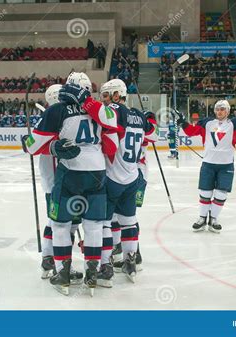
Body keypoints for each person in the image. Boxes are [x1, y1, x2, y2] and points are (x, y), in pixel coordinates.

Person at [22, 72, 118, 296]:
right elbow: (111, 124)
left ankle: (62, 273)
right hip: (97, 172)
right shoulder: (100, 110)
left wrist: (28, 142)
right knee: (94, 225)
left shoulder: (58, 110)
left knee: (61, 225)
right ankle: (92, 274)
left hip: (71, 173)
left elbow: (33, 146)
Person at [175, 100, 236, 233]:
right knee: (205, 193)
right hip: (208, 165)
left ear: (228, 111)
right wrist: (182, 122)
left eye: (223, 109)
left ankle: (213, 219)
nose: (220, 111)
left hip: (226, 166)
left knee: (221, 194)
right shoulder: (207, 123)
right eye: (217, 109)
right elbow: (191, 131)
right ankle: (202, 218)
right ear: (214, 111)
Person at [97, 79, 157, 285]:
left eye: (106, 96)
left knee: (104, 222)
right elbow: (154, 135)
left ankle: (105, 267)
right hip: (132, 177)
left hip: (113, 176)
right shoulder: (138, 115)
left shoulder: (114, 110)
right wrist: (150, 119)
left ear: (116, 95)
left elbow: (100, 121)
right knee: (128, 220)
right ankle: (131, 260)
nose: (103, 101)